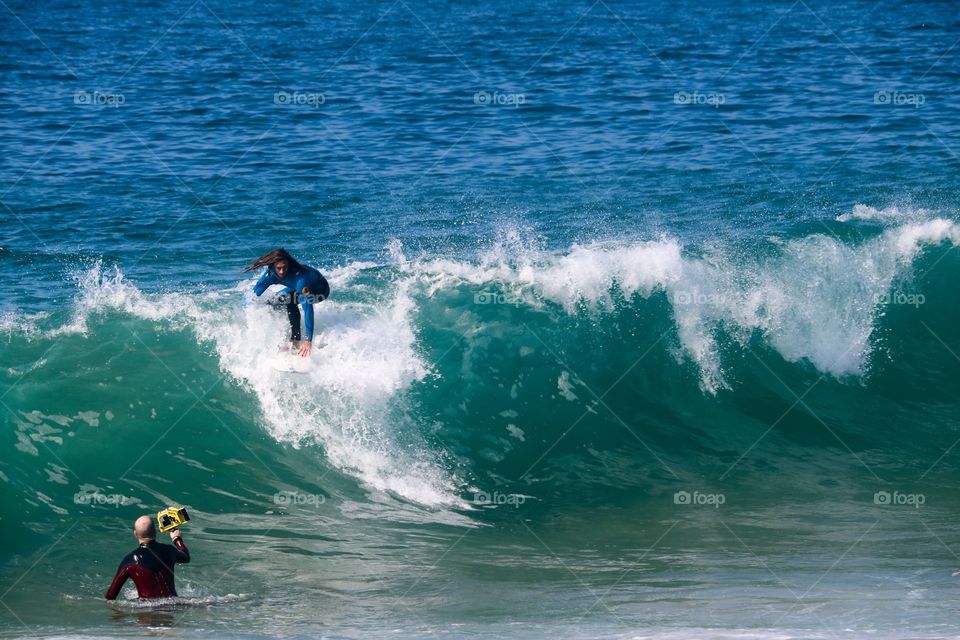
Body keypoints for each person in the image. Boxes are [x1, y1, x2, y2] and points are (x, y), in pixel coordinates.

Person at [245, 248, 330, 357]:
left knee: (289, 299)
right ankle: (282, 335)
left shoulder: (300, 279)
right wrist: (249, 312)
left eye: (284, 267)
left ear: (289, 264)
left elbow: (308, 309)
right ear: (272, 266)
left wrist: (308, 340)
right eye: (278, 268)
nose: (282, 271)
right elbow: (253, 295)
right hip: (296, 288)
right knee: (274, 301)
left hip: (320, 290)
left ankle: (296, 340)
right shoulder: (269, 275)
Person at [104, 515, 190, 600]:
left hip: (146, 608)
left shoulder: (129, 561)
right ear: (155, 531)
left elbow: (110, 596)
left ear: (135, 534)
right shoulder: (169, 550)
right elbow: (186, 557)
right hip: (173, 605)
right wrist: (177, 539)